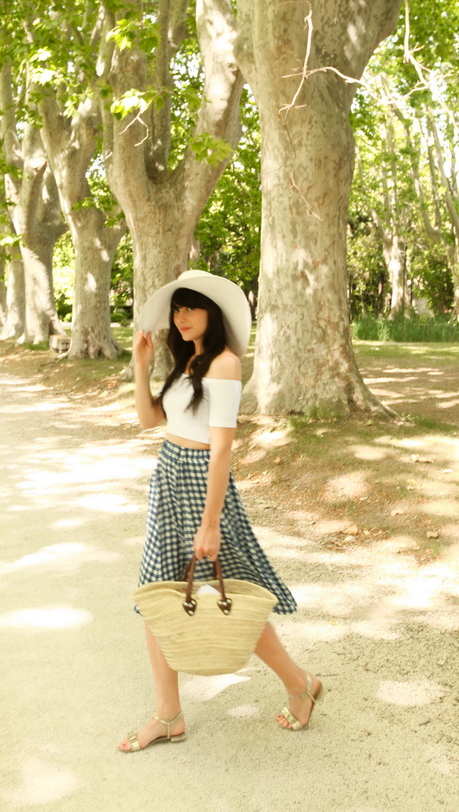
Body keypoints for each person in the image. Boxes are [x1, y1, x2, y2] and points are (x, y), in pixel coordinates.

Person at [119, 270, 324, 752]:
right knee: (156, 596)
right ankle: (168, 715)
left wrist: (210, 522)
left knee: (237, 599)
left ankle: (300, 685)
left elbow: (222, 450)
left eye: (192, 307)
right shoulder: (187, 362)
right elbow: (150, 420)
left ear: (213, 314)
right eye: (177, 308)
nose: (182, 316)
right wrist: (141, 365)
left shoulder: (225, 365)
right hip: (169, 478)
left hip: (202, 486)